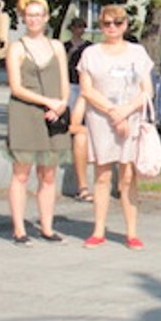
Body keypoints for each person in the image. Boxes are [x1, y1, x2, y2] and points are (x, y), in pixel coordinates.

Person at [77, 3, 154, 249]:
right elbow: (87, 90)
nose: (112, 28)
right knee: (102, 174)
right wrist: (112, 112)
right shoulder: (90, 54)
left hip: (130, 118)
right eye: (106, 24)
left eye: (117, 23)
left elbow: (147, 90)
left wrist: (125, 112)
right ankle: (98, 229)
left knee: (128, 175)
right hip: (101, 119)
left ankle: (131, 232)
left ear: (125, 25)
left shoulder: (137, 52)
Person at [5, 0, 70, 244]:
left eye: (38, 15)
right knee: (21, 172)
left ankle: (47, 226)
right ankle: (19, 228)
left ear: (46, 17)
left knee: (49, 174)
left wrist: (61, 104)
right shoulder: (16, 48)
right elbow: (16, 87)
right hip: (26, 113)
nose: (33, 20)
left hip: (54, 115)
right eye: (29, 15)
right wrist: (46, 102)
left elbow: (64, 80)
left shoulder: (56, 46)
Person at [65, 17, 96, 202]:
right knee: (73, 112)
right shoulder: (65, 46)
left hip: (83, 84)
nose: (80, 29)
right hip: (70, 82)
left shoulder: (90, 47)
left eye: (82, 26)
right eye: (77, 26)